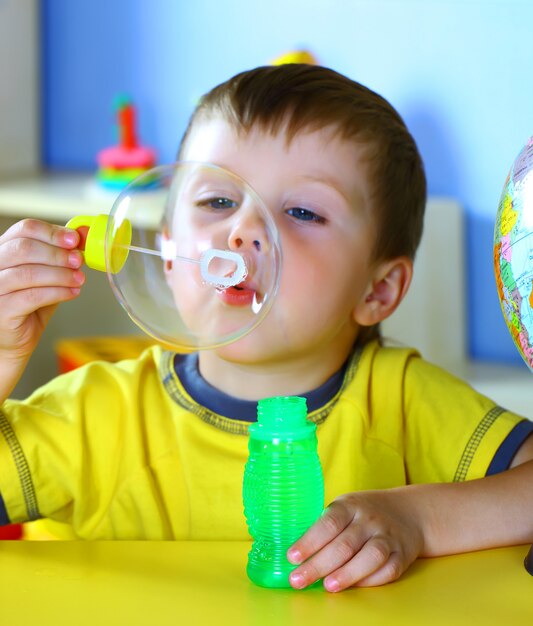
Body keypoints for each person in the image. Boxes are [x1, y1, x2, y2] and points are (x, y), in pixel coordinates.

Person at [0, 64, 532, 592]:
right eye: (218, 202)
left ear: (378, 290)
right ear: (167, 249)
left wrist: (419, 520)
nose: (243, 231)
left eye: (301, 211)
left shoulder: (402, 402)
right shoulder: (98, 416)